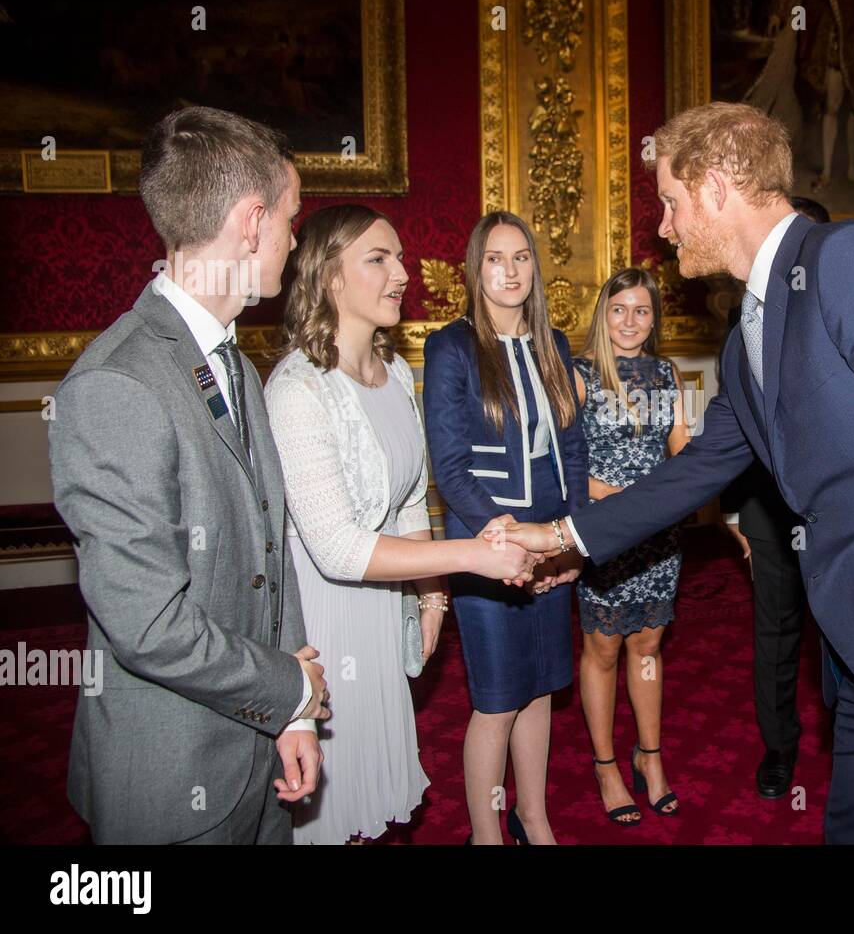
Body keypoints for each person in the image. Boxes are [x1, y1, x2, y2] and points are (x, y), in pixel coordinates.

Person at [490, 101, 854, 844]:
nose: (665, 227)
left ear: (714, 188)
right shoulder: (745, 341)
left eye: (670, 203)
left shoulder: (853, 260)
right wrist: (562, 534)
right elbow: (696, 472)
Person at [48, 106, 330, 843]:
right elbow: (147, 625)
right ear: (250, 221)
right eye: (291, 220)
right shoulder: (115, 387)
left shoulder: (235, 361)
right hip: (172, 785)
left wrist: (291, 715)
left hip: (260, 761)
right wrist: (289, 686)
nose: (295, 242)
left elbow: (273, 552)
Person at [264, 205, 538, 844]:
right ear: (330, 277)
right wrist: (468, 558)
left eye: (401, 259)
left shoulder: (390, 379)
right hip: (327, 625)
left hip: (384, 614)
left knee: (372, 803)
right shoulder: (297, 390)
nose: (402, 274)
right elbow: (336, 548)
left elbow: (413, 498)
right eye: (379, 259)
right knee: (332, 809)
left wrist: (431, 596)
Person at [423, 210, 589, 845]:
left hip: (549, 544)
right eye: (496, 258)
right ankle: (486, 833)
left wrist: (570, 542)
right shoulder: (452, 346)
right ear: (476, 268)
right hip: (486, 548)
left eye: (521, 257)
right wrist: (504, 541)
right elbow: (450, 467)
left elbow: (572, 453)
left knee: (542, 686)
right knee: (497, 698)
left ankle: (533, 817)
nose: (510, 270)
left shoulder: (556, 345)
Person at [570, 267, 690, 825]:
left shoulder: (666, 373)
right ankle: (605, 764)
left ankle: (651, 757)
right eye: (619, 308)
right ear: (603, 314)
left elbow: (684, 451)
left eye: (641, 310)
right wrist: (610, 497)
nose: (629, 321)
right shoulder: (579, 374)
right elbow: (561, 464)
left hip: (658, 536)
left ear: (653, 318)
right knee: (603, 650)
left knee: (647, 646)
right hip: (605, 533)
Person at [720, 194, 827, 799]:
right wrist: (734, 511)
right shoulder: (743, 328)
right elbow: (730, 433)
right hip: (770, 514)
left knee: (844, 633)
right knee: (777, 636)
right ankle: (779, 746)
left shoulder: (846, 317)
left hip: (844, 518)